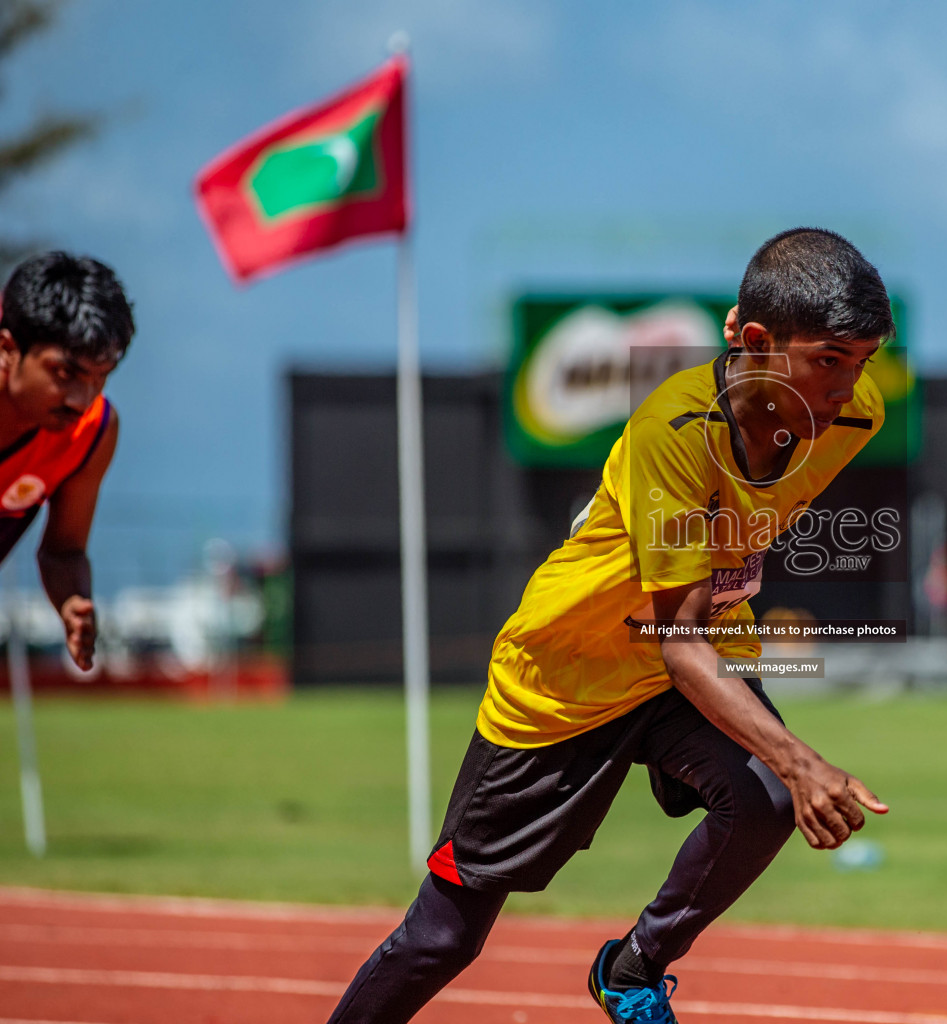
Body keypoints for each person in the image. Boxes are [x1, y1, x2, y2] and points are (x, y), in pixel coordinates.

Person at [328, 227, 895, 1024]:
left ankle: (632, 971)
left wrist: (786, 768)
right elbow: (678, 640)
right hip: (568, 674)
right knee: (445, 937)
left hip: (692, 649)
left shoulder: (852, 416)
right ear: (754, 341)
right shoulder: (677, 431)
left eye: (863, 362)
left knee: (762, 799)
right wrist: (806, 762)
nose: (847, 387)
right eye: (830, 361)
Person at [0, 252, 132, 671]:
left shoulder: (92, 431)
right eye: (64, 373)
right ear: (8, 348)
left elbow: (63, 552)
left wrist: (72, 600)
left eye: (100, 377)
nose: (82, 399)